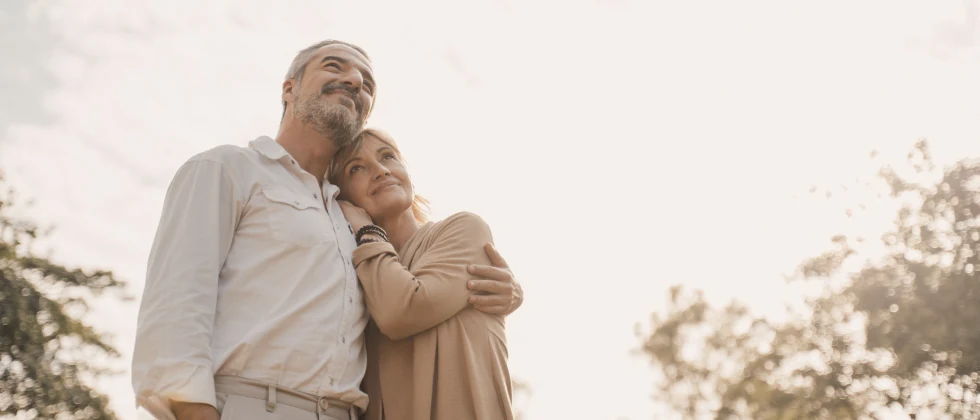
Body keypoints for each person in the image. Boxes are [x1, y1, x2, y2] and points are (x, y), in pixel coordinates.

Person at [131, 40, 523, 420]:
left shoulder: (351, 219)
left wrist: (502, 296)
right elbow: (176, 307)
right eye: (335, 66)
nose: (355, 80)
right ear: (289, 88)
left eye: (367, 84)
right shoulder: (228, 168)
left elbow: (403, 296)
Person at [329, 128, 514, 420]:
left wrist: (368, 232)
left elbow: (401, 310)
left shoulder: (464, 229)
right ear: (342, 198)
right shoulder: (349, 271)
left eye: (387, 157)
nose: (379, 171)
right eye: (357, 168)